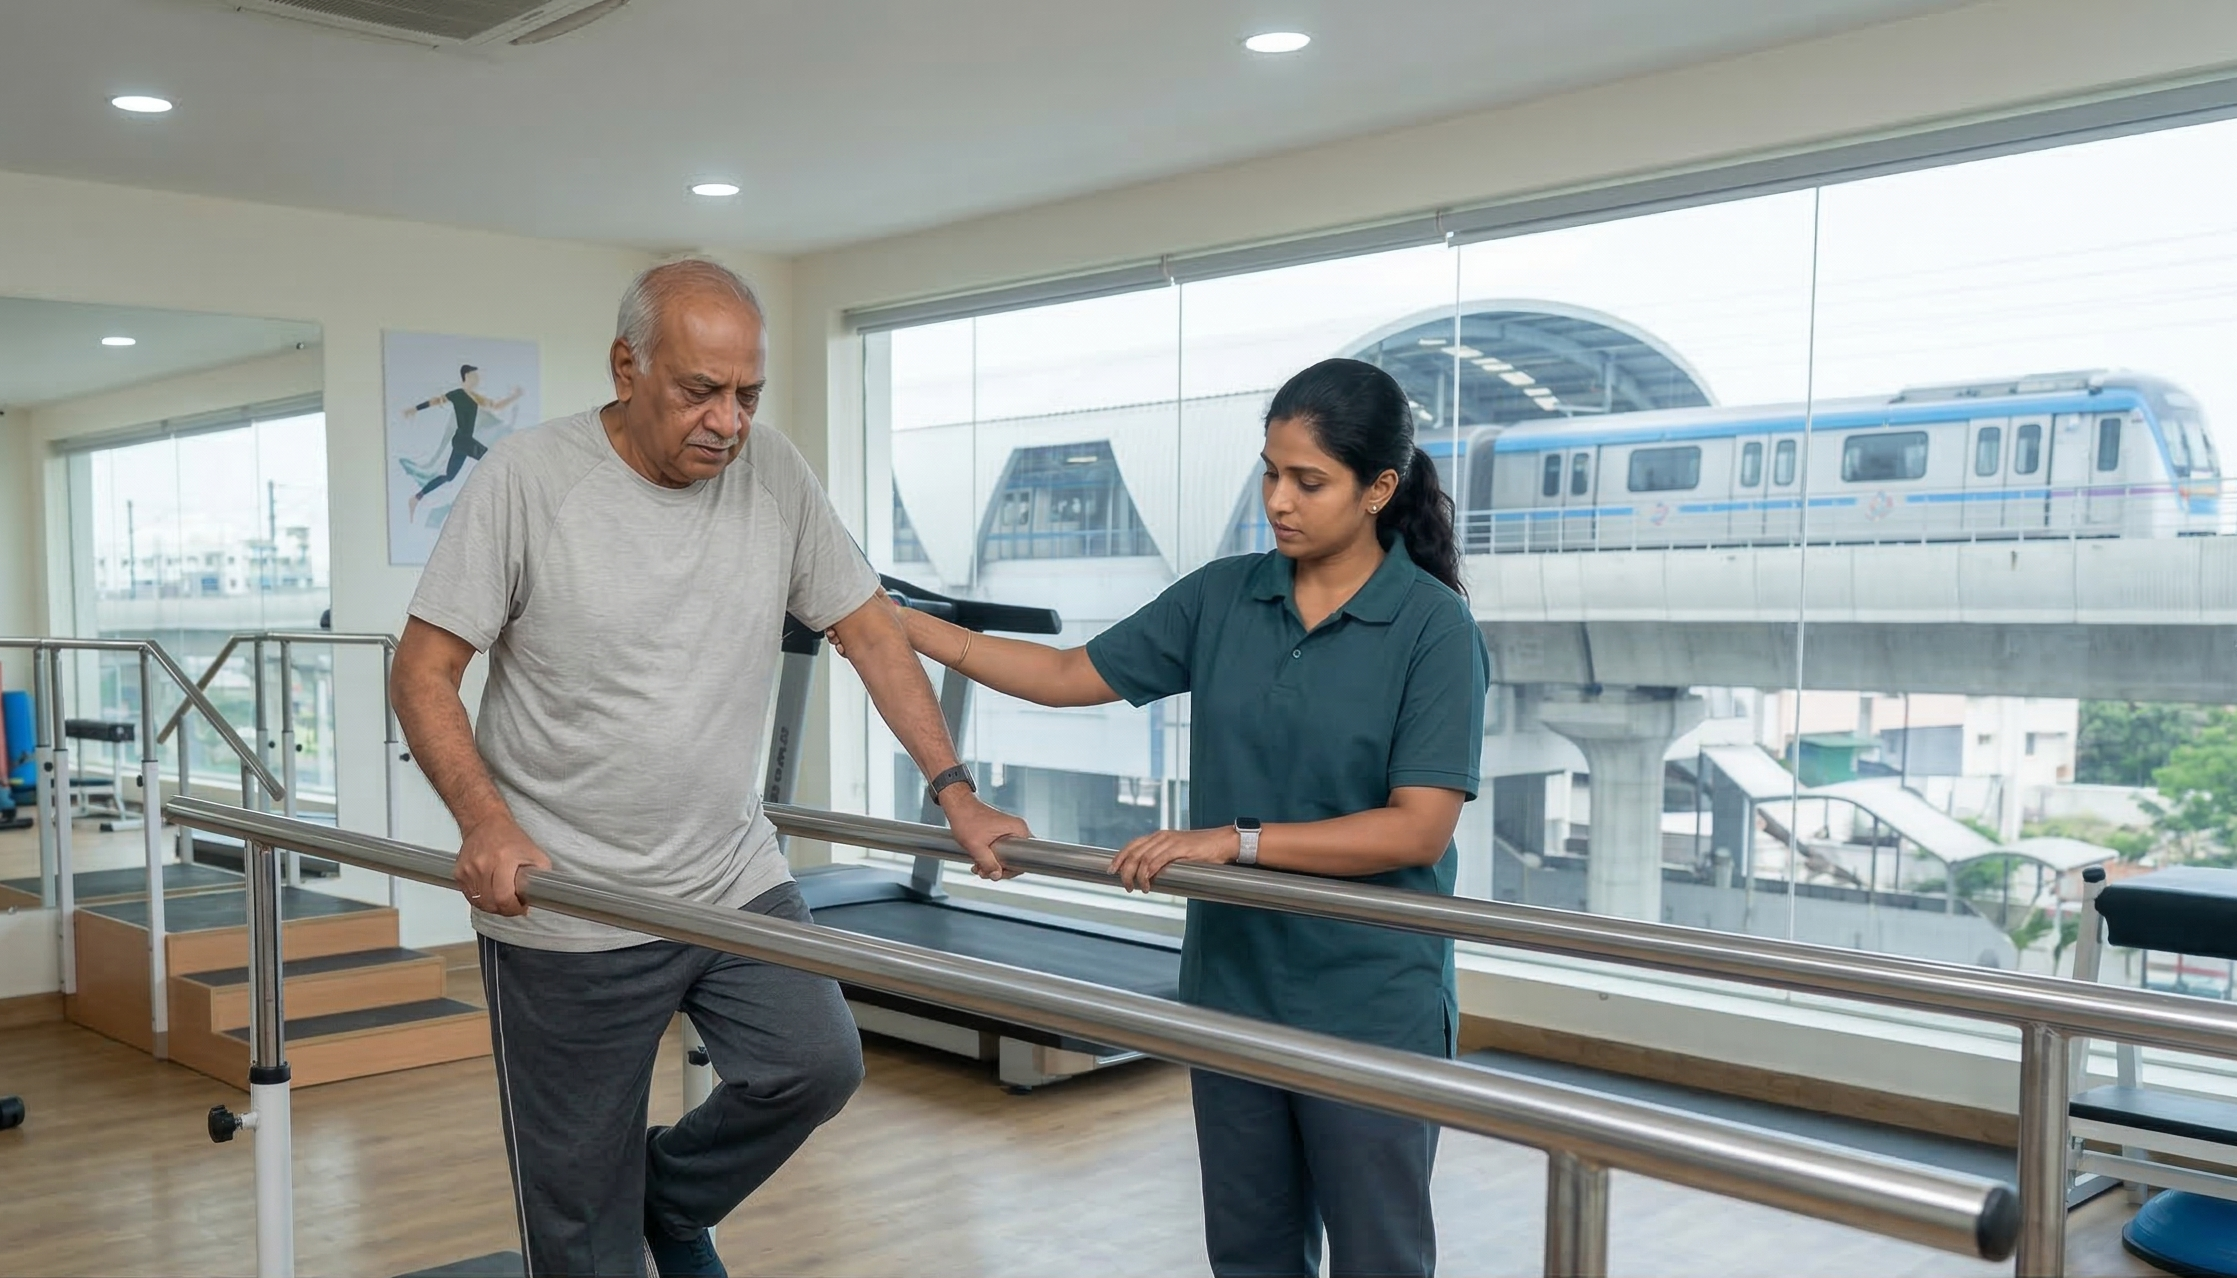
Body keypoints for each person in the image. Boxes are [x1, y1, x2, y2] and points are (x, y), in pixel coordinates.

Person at [391, 259, 1031, 1278]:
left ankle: (666, 1195)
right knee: (580, 1234)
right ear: (626, 367)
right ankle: (616, 1210)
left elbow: (868, 629)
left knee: (814, 1066)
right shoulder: (527, 479)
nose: (728, 422)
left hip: (730, 876)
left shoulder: (773, 473)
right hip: (569, 902)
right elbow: (423, 669)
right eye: (700, 390)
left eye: (747, 394)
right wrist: (484, 821)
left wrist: (953, 789)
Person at [869, 357, 1486, 1278]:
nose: (1279, 498)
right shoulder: (1227, 594)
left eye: (1308, 481)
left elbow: (1416, 830)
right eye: (1271, 472)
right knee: (1248, 1252)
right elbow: (1066, 675)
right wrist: (900, 622)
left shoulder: (1434, 629)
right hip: (1234, 983)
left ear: (1379, 489)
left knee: (1379, 1259)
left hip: (1369, 999)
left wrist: (1234, 844)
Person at [400, 366, 525, 515]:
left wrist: (515, 396)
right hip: (464, 440)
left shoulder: (476, 397)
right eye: (474, 376)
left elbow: (496, 406)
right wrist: (414, 409)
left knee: (449, 476)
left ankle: (416, 498)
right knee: (493, 459)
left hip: (461, 441)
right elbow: (435, 401)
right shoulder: (457, 394)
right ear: (467, 376)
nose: (477, 379)